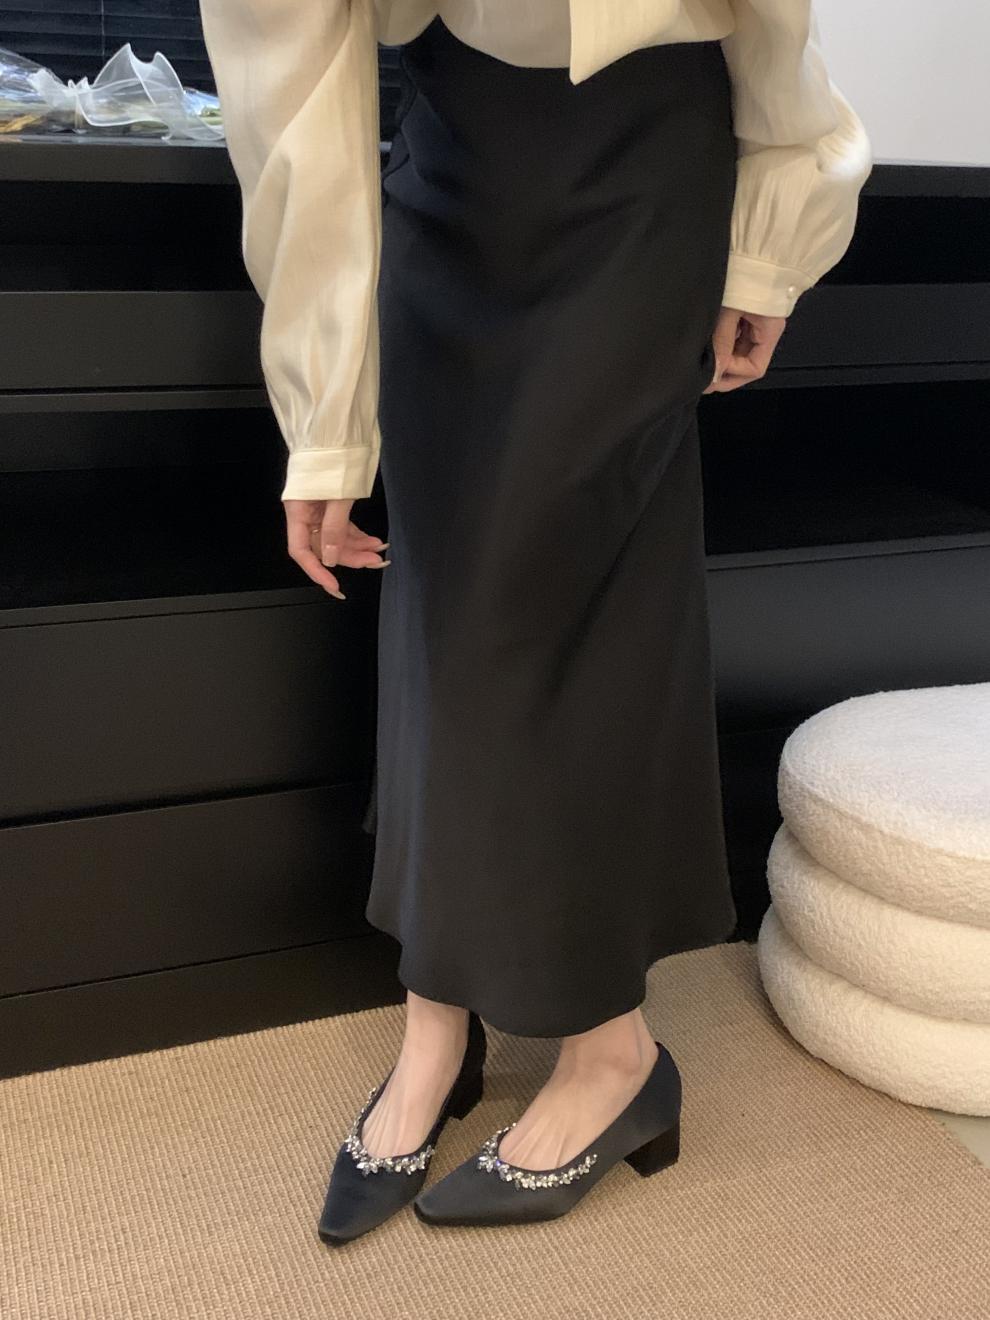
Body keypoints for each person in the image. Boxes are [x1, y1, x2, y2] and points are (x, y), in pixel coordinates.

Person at [198, 0, 872, 1241]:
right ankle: (436, 1022)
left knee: (550, 613)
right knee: (441, 607)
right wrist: (324, 418)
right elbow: (290, 93)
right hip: (451, 171)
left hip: (644, 171)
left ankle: (615, 1052)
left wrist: (772, 233)